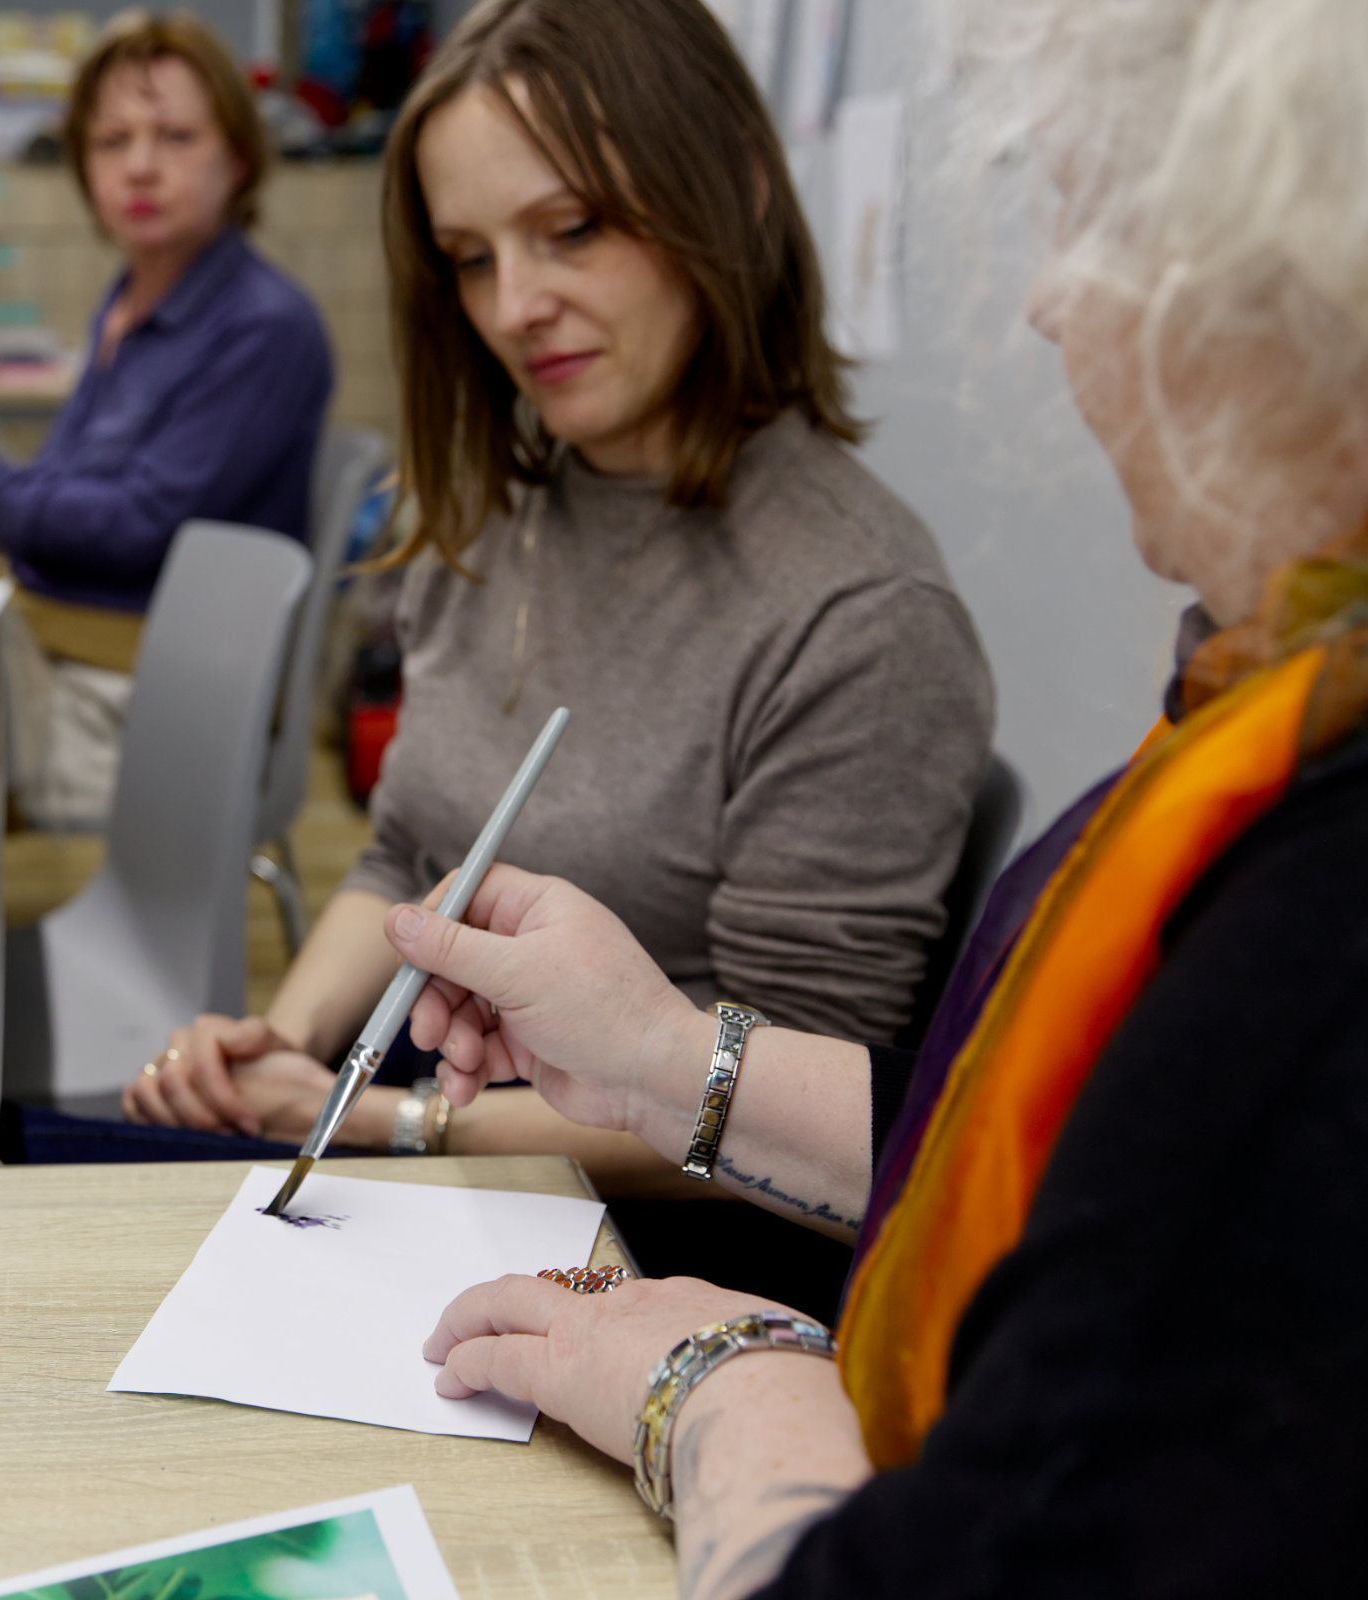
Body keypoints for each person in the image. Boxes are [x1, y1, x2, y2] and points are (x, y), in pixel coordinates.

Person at [383, 0, 1368, 1590]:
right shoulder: (1271, 698)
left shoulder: (1336, 925)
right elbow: (1027, 1146)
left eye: (1098, 211)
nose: (1050, 301)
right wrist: (655, 1053)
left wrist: (715, 1390)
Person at [122, 0, 993, 1308]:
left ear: (736, 193)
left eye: (573, 229)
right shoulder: (503, 509)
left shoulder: (860, 614)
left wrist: (397, 1126)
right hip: (435, 1152)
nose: (515, 307)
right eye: (471, 259)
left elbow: (787, 1122)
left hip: (649, 1253)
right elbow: (407, 855)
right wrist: (287, 1045)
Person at [0, 12, 332, 827]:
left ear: (237, 158)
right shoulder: (132, 297)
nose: (140, 166)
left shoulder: (263, 327)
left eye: (175, 137)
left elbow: (135, 524)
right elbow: (69, 481)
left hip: (146, 700)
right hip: (71, 652)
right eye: (111, 141)